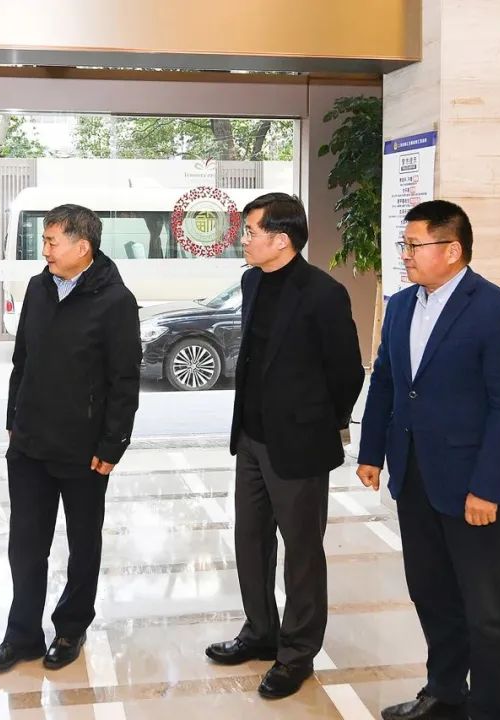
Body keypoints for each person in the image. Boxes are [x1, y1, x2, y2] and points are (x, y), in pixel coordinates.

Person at [358, 200, 500, 720]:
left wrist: (489, 488)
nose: (405, 255)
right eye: (405, 245)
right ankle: (446, 692)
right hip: (414, 478)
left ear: (452, 250)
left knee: (488, 613)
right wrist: (372, 452)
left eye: (415, 245)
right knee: (432, 595)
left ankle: (496, 710)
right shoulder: (401, 306)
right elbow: (386, 382)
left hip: (473, 488)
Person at [204, 192, 364, 699]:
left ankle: (296, 654)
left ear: (281, 239)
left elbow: (347, 373)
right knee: (250, 541)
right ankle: (260, 631)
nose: (243, 240)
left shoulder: (323, 293)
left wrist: (317, 424)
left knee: (302, 554)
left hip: (298, 447)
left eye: (251, 232)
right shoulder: (252, 281)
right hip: (251, 440)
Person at [0, 204, 141, 673]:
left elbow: (124, 380)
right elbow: (22, 360)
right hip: (29, 443)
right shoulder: (38, 286)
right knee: (26, 545)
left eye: (52, 241)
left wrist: (113, 444)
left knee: (83, 544)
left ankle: (70, 627)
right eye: (45, 241)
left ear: (82, 247)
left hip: (84, 450)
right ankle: (22, 636)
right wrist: (14, 417)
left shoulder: (116, 301)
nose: (44, 250)